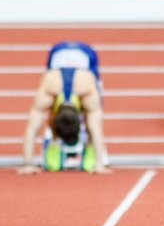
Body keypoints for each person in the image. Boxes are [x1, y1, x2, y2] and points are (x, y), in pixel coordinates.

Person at [17, 41, 111, 174]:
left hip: (80, 55)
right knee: (94, 117)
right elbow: (96, 128)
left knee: (93, 114)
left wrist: (28, 164)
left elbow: (32, 128)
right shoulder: (87, 92)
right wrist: (100, 165)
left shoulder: (49, 89)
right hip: (71, 57)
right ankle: (98, 156)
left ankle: (62, 144)